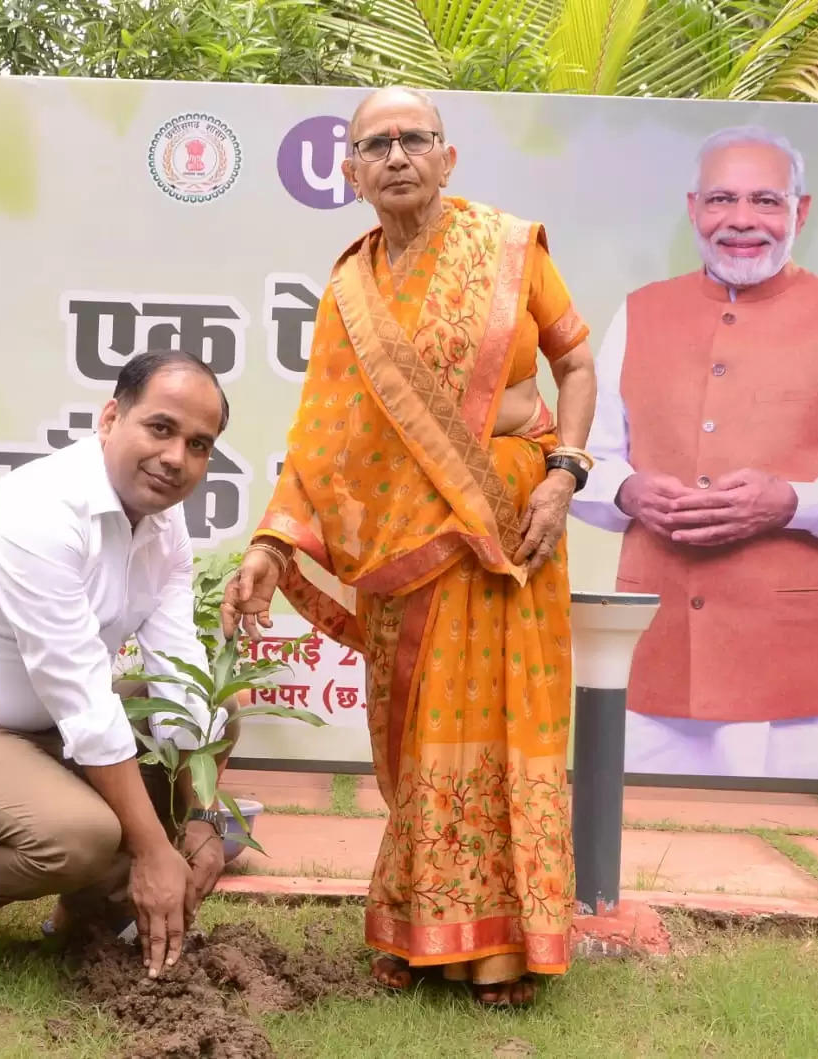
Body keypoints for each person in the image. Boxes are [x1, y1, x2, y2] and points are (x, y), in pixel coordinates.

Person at [220, 87, 598, 1006]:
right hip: (404, 542)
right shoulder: (348, 290)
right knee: (417, 737)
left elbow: (575, 362)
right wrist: (273, 541)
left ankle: (505, 947)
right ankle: (419, 923)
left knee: (501, 729)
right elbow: (323, 441)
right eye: (375, 144)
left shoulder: (509, 249)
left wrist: (565, 473)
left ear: (448, 155)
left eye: (414, 139)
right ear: (348, 172)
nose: (397, 156)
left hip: (505, 526)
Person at [570, 125, 818, 783]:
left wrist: (795, 501)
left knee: (812, 857)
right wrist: (628, 490)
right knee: (640, 859)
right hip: (655, 665)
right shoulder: (638, 315)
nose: (741, 221)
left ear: (800, 211)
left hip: (805, 684)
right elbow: (583, 461)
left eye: (766, 201)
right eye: (722, 200)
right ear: (693, 209)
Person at [0, 350, 239, 981]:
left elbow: (178, 671)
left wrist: (203, 819)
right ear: (111, 417)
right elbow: (81, 698)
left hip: (46, 736)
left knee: (211, 713)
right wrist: (153, 849)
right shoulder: (39, 509)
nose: (177, 457)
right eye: (161, 428)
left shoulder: (162, 525)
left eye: (200, 445)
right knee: (81, 833)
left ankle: (91, 907)